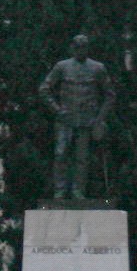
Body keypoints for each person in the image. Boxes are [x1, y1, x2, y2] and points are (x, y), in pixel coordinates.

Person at [39, 33, 115, 201]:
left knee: (82, 159)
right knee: (61, 154)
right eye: (77, 47)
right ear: (72, 48)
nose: (81, 50)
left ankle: (78, 192)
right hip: (65, 119)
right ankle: (59, 192)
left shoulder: (98, 68)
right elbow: (44, 89)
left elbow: (109, 95)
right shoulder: (62, 67)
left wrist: (99, 119)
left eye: (84, 47)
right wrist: (57, 110)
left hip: (86, 120)